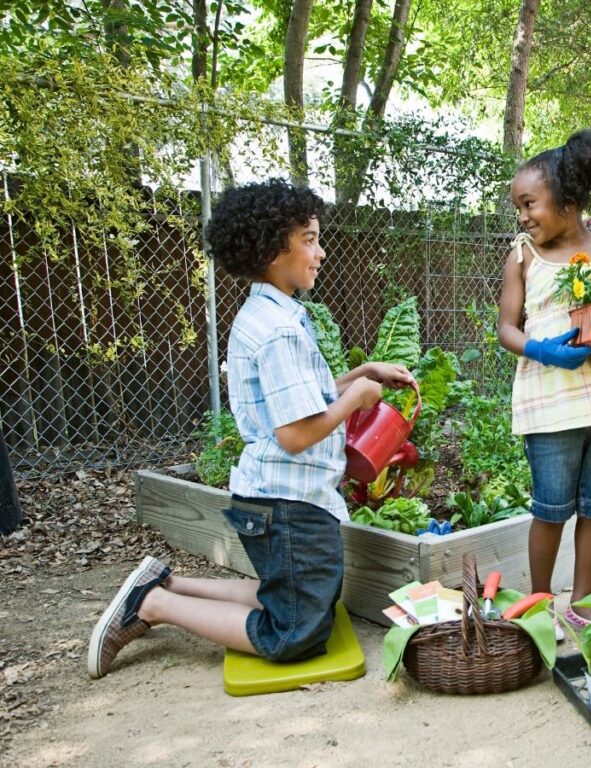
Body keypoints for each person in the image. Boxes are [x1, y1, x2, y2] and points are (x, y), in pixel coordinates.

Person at [88, 179, 414, 679]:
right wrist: (356, 399)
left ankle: (166, 585)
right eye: (309, 239)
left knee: (291, 598)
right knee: (294, 634)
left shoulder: (272, 314)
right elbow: (296, 434)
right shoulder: (280, 329)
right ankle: (154, 605)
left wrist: (362, 372)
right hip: (287, 504)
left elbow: (303, 398)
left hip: (282, 498)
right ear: (270, 247)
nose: (321, 252)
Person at [497, 130, 591, 633]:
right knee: (551, 509)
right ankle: (540, 605)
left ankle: (582, 603)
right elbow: (506, 327)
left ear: (568, 198)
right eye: (519, 206)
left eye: (530, 203)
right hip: (549, 404)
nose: (523, 216)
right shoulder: (523, 256)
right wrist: (540, 349)